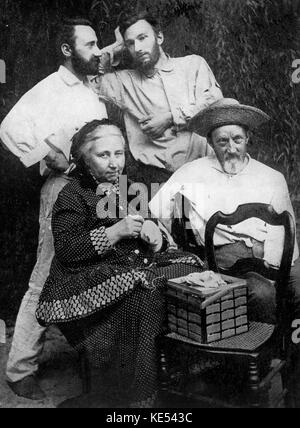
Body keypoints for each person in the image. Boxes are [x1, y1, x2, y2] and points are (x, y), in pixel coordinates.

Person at [35, 119, 203, 408]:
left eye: (119, 153)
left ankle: (176, 371)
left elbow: (149, 228)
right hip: (83, 278)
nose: (114, 163)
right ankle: (139, 395)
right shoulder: (73, 194)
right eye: (104, 155)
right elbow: (67, 250)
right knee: (145, 293)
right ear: (84, 159)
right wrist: (116, 231)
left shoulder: (125, 187)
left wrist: (155, 237)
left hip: (131, 266)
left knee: (190, 267)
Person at [149, 98, 300, 402]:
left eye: (237, 139)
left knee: (298, 290)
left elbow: (287, 229)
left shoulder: (271, 176)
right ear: (210, 143)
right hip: (225, 257)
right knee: (262, 294)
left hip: (276, 251)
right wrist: (178, 238)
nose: (231, 148)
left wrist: (272, 260)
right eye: (222, 141)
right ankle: (250, 371)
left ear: (249, 139)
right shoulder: (193, 172)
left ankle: (294, 380)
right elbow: (157, 208)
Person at [0, 18, 108, 400]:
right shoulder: (50, 87)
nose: (98, 51)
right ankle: (19, 370)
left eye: (99, 44)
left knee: (95, 266)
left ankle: (94, 363)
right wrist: (49, 154)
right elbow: (10, 126)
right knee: (45, 275)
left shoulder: (88, 89)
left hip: (95, 189)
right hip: (63, 188)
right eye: (89, 45)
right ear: (67, 50)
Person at [96, 10, 223, 185]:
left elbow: (215, 105)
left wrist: (170, 117)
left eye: (142, 38)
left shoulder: (193, 65)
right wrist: (117, 45)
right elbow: (91, 76)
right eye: (130, 44)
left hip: (205, 172)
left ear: (159, 38)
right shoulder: (124, 81)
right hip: (157, 179)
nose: (138, 48)